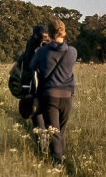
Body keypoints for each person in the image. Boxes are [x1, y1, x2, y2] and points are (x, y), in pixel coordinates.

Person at [30, 19, 77, 166]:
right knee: (61, 132)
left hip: (50, 95)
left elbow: (32, 66)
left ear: (48, 33)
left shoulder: (42, 51)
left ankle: (56, 165)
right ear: (64, 32)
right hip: (67, 96)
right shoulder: (72, 51)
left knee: (53, 132)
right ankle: (59, 159)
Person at [18, 26, 50, 129]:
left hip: (35, 85)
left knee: (37, 115)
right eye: (43, 36)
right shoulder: (35, 46)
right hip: (36, 85)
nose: (44, 39)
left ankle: (41, 140)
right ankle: (43, 139)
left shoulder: (32, 45)